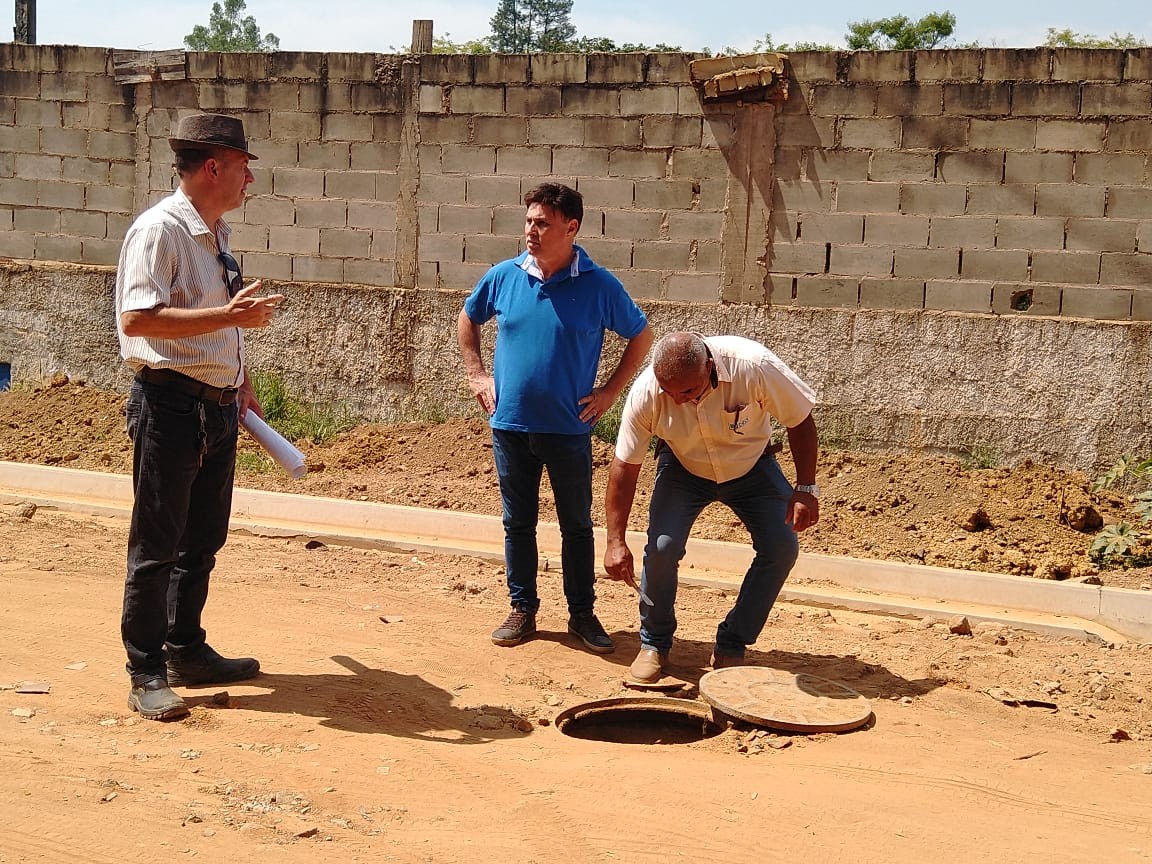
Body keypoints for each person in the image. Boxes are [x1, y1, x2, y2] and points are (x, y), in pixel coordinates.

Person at [115, 113, 285, 720]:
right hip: (168, 405)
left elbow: (218, 321)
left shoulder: (214, 234)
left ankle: (185, 646)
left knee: (202, 539)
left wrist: (242, 384)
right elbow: (138, 320)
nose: (250, 181)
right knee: (157, 543)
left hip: (215, 407)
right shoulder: (158, 231)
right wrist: (229, 320)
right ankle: (146, 669)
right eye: (243, 167)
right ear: (213, 166)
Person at [458, 183, 653, 654]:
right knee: (517, 523)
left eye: (542, 222)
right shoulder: (505, 276)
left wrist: (610, 392)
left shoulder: (599, 285)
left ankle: (582, 614)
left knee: (576, 526)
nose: (531, 230)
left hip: (569, 429)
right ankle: (522, 609)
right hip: (510, 426)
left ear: (571, 227)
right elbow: (468, 320)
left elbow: (641, 336)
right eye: (528, 220)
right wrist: (477, 374)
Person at [603, 332, 820, 683]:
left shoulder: (754, 366)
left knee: (781, 547)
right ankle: (654, 643)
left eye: (686, 392)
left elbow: (800, 420)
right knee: (662, 548)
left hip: (752, 467)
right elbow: (624, 467)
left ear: (709, 367)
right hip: (683, 468)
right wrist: (615, 540)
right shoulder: (647, 392)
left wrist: (805, 488)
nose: (676, 399)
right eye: (668, 391)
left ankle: (732, 644)